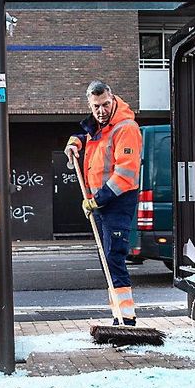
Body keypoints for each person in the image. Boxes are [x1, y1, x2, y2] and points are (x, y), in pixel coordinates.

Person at [63, 80, 143, 326]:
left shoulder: (125, 128)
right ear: (90, 104)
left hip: (116, 202)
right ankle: (118, 315)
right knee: (107, 260)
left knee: (114, 257)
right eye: (96, 106)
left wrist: (96, 201)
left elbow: (126, 176)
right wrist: (74, 142)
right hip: (101, 205)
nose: (101, 111)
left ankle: (126, 320)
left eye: (105, 105)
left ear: (113, 99)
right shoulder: (98, 128)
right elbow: (85, 137)